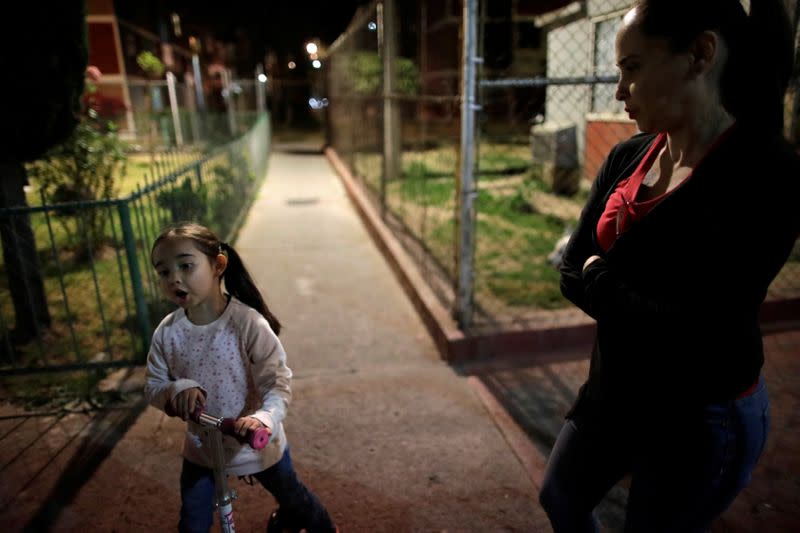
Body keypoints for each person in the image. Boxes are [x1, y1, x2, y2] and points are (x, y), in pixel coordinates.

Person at [539, 1, 800, 531]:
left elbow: (701, 332)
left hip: (699, 414)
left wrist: (600, 279)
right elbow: (571, 269)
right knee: (560, 497)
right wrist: (617, 292)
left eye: (632, 68)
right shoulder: (628, 155)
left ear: (699, 55)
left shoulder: (765, 174)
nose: (618, 91)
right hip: (614, 393)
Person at [144, 222, 337, 533]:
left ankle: (323, 527)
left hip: (256, 444)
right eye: (164, 272)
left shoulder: (247, 324)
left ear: (218, 265)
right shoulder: (168, 333)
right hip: (202, 447)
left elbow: (276, 383)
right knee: (192, 523)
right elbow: (153, 386)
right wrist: (176, 390)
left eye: (186, 265)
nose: (174, 278)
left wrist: (264, 419)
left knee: (294, 499)